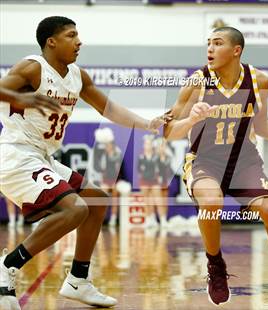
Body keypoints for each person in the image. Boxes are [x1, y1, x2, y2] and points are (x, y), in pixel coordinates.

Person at [0, 16, 164, 309]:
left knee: (97, 199)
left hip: (42, 156)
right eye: (71, 35)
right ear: (52, 41)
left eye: (78, 35)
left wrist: (148, 123)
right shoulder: (32, 67)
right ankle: (8, 265)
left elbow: (109, 108)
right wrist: (21, 99)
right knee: (75, 209)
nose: (79, 41)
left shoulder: (78, 76)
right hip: (16, 155)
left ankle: (78, 280)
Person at [164, 27, 268, 306]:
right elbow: (168, 131)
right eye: (208, 44)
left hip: (244, 160)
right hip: (205, 160)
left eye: (217, 43)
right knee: (212, 202)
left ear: (236, 50)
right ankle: (216, 268)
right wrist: (190, 120)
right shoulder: (196, 83)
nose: (210, 49)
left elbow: (261, 126)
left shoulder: (260, 81)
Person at [138, 135, 160, 228]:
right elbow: (139, 168)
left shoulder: (156, 156)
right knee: (146, 199)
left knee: (154, 199)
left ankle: (154, 218)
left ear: (152, 145)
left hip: (154, 180)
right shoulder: (141, 156)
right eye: (146, 144)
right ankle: (148, 218)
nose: (147, 146)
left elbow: (159, 168)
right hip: (144, 180)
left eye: (149, 144)